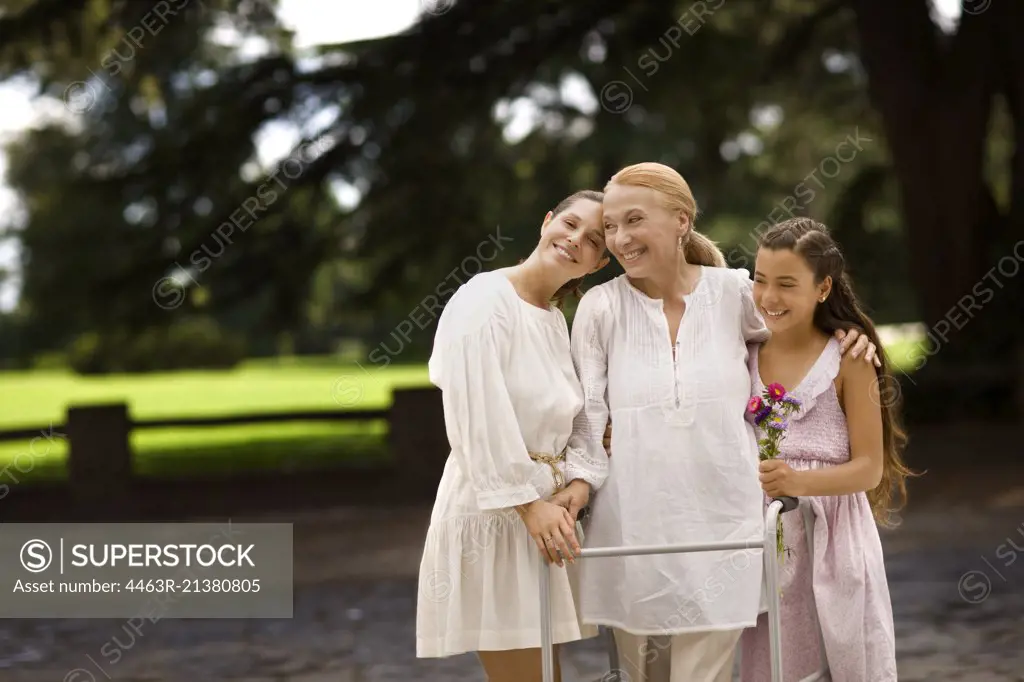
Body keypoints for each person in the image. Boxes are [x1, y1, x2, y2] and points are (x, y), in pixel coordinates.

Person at [551, 163, 879, 682]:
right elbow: (589, 419)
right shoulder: (600, 307)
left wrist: (846, 336)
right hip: (632, 526)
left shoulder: (735, 294)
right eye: (611, 226)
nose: (619, 238)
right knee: (641, 677)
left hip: (727, 526)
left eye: (633, 220)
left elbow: (794, 336)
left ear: (682, 220)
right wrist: (577, 484)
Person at [415, 190, 610, 682]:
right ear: (547, 221)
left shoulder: (553, 318)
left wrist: (577, 483)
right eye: (569, 223)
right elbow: (475, 412)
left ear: (599, 261)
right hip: (497, 516)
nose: (574, 241)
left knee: (547, 674)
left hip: (545, 516)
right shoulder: (484, 299)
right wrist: (527, 504)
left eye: (592, 240)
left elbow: (573, 418)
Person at [738, 218, 914, 682]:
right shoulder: (743, 349)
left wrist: (799, 482)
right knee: (776, 662)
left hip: (833, 536)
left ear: (822, 289)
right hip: (766, 538)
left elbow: (869, 468)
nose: (768, 297)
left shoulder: (849, 358)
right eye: (759, 280)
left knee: (847, 659)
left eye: (786, 284)